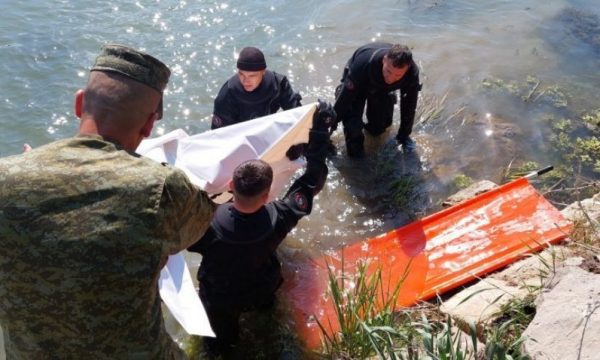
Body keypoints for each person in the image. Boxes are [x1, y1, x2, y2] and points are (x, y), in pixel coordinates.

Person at [0, 44, 216, 359]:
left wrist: (25, 175)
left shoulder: (5, 179)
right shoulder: (163, 189)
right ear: (149, 125)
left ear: (78, 103)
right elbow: (198, 224)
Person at [188, 101, 336, 357]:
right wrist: (319, 133)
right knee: (268, 320)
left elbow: (175, 234)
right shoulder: (279, 216)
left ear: (231, 185)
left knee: (219, 347)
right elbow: (312, 181)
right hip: (261, 288)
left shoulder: (206, 222)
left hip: (220, 298)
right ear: (267, 194)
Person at [334, 42, 422, 157]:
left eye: (398, 76)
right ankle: (357, 167)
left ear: (407, 69)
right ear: (384, 60)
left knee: (378, 129)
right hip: (359, 83)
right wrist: (328, 128)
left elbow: (409, 105)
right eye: (388, 71)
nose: (391, 78)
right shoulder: (363, 65)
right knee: (353, 129)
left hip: (382, 90)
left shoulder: (411, 73)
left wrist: (404, 135)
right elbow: (343, 102)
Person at [211, 46, 302, 129]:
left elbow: (297, 113)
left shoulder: (278, 84)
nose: (245, 81)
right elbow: (218, 134)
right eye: (241, 74)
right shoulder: (227, 95)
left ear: (263, 72)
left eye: (252, 76)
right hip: (240, 137)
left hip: (268, 130)